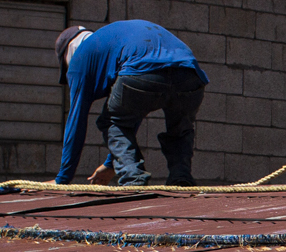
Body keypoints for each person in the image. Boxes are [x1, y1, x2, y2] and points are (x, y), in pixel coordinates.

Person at [53, 20, 209, 186]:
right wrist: (110, 164)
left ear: (67, 54)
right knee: (180, 129)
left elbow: (76, 121)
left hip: (143, 70)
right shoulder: (109, 41)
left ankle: (133, 178)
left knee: (111, 121)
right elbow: (132, 113)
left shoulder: (80, 56)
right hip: (190, 73)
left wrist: (63, 179)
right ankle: (181, 178)